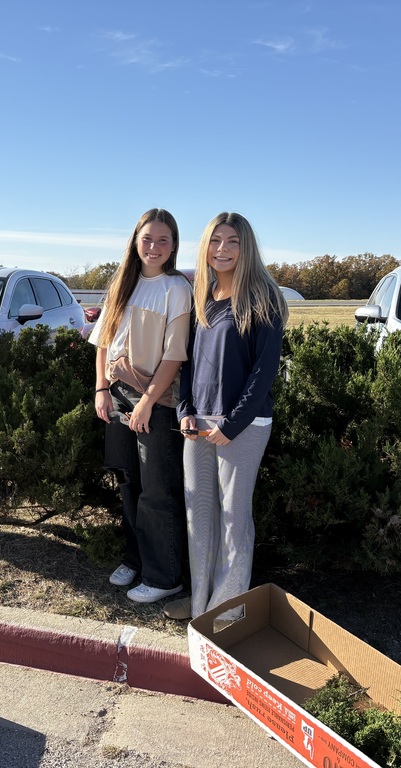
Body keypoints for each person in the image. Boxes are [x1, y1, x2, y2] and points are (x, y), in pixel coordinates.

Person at [167, 212, 288, 622]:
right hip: (198, 423)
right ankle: (200, 603)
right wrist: (185, 411)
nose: (223, 249)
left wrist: (232, 424)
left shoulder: (265, 298)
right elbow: (189, 363)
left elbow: (264, 371)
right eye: (215, 240)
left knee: (234, 518)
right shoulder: (202, 296)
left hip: (243, 426)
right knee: (199, 517)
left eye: (232, 241)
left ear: (246, 246)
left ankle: (226, 611)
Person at [90, 208, 192, 604]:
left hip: (157, 400)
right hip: (117, 395)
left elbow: (174, 355)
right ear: (135, 240)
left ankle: (165, 576)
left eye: (163, 240)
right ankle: (135, 559)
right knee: (128, 481)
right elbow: (103, 343)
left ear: (174, 246)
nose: (154, 247)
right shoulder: (122, 284)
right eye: (147, 238)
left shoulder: (175, 288)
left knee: (157, 491)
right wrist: (101, 388)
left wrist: (148, 402)